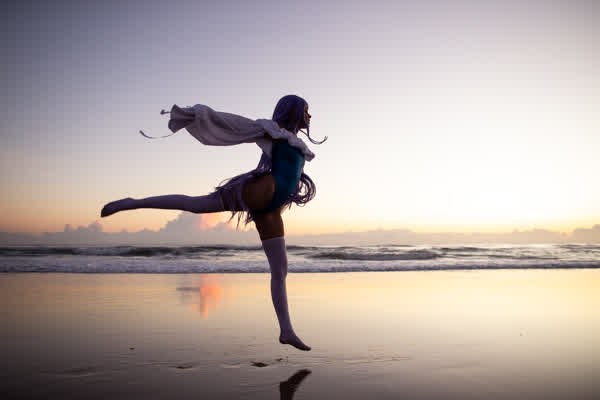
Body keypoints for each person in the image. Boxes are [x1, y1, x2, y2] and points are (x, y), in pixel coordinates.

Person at [100, 95, 326, 351]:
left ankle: (286, 331)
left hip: (272, 207)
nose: (309, 116)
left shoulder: (294, 142)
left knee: (280, 270)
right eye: (306, 111)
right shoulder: (272, 131)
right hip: (262, 191)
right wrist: (197, 114)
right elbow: (234, 123)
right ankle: (132, 202)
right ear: (293, 111)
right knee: (196, 204)